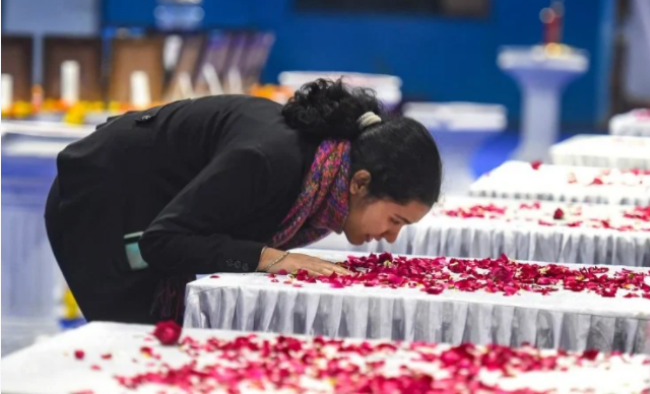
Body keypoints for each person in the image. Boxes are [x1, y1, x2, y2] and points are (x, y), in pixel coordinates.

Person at [44, 79, 443, 324]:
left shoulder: (318, 167)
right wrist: (272, 258)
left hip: (146, 203)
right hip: (103, 199)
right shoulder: (268, 160)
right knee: (138, 351)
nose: (390, 237)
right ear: (360, 182)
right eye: (396, 220)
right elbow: (161, 242)